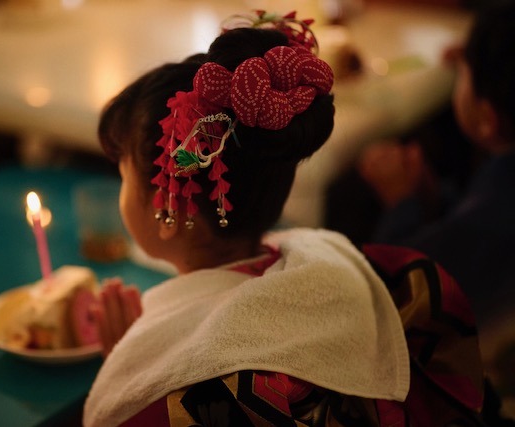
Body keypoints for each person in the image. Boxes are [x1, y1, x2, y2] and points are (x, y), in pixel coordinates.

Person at [82, 11, 485, 426]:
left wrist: (137, 367)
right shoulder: (352, 266)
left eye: (124, 174)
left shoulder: (185, 400)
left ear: (168, 209)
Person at [357, 2, 515, 412]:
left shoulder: (490, 222)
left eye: (464, 70)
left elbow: (397, 294)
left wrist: (401, 203)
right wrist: (436, 201)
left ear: (487, 118)